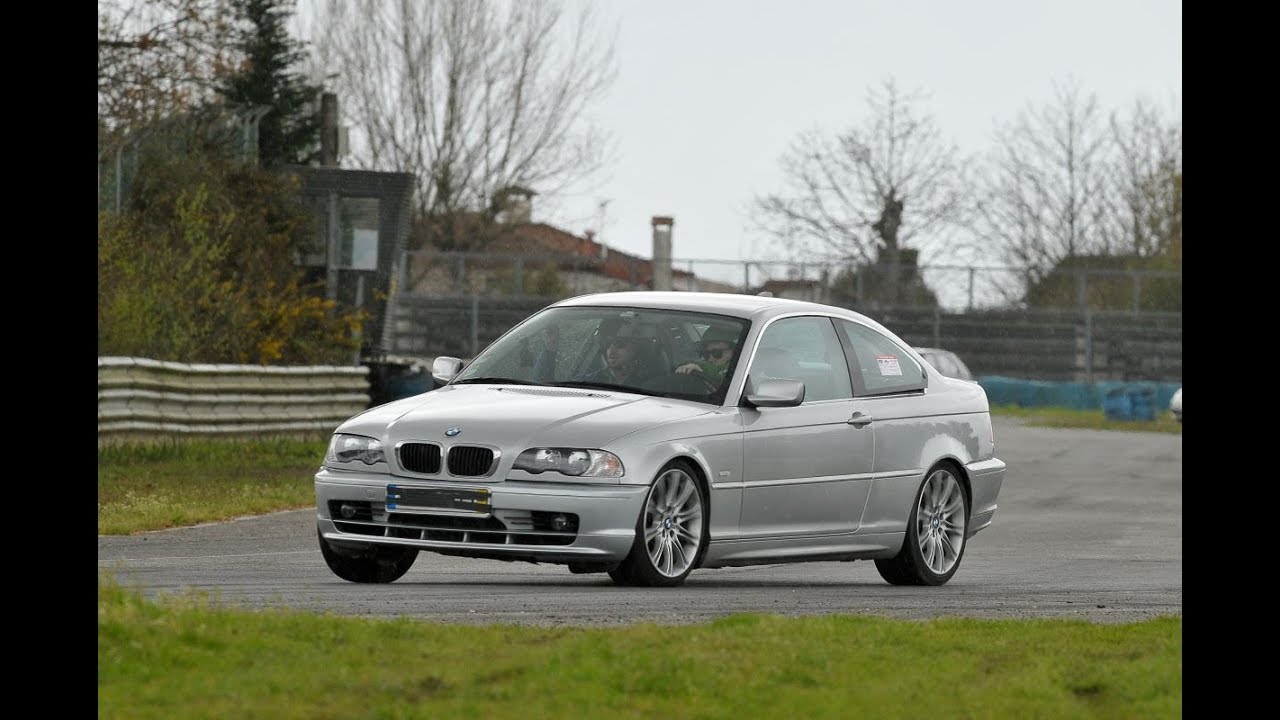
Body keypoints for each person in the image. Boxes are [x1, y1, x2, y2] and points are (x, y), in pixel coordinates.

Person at [675, 326, 739, 386]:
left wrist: (702, 377)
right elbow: (694, 364)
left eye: (716, 353)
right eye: (706, 354)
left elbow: (725, 394)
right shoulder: (707, 366)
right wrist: (686, 366)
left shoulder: (738, 371)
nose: (710, 359)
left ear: (731, 352)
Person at [581, 333, 654, 386]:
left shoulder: (653, 383)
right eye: (608, 345)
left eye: (619, 345)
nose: (611, 351)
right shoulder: (590, 380)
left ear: (635, 348)